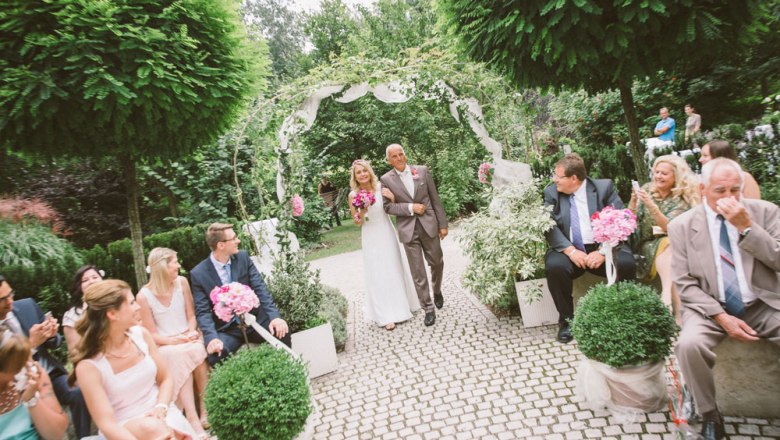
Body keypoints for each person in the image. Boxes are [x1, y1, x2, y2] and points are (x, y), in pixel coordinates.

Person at [669, 158, 780, 440]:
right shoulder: (682, 225)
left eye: (735, 190)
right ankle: (709, 414)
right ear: (703, 188)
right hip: (709, 308)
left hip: (762, 303)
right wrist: (720, 316)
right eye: (721, 190)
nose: (729, 198)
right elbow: (684, 283)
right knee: (689, 344)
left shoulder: (765, 213)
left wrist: (748, 228)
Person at [72, 279, 197, 439]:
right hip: (122, 429)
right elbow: (107, 424)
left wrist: (161, 407)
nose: (138, 307)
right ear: (112, 314)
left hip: (162, 413)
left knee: (161, 429)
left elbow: (165, 378)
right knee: (153, 429)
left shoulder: (142, 336)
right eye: (131, 303)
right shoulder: (89, 367)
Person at [543, 153, 637, 343]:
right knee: (555, 267)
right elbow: (548, 225)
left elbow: (621, 220)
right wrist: (570, 250)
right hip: (569, 249)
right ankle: (567, 322)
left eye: (558, 176)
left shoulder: (603, 188)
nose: (554, 180)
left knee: (626, 264)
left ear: (573, 178)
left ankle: (624, 318)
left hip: (602, 246)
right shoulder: (552, 192)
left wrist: (604, 251)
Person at [0, 274, 91, 439]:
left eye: (10, 294)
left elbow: (55, 343)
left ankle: (84, 436)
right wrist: (31, 343)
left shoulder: (27, 305)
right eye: (2, 300)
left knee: (78, 393)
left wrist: (51, 335)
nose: (9, 302)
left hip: (49, 373)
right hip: (13, 383)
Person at [190, 223, 291, 366]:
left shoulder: (243, 258)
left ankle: (287, 374)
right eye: (234, 238)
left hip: (255, 320)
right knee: (216, 355)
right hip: (228, 330)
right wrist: (212, 338)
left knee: (282, 332)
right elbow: (202, 311)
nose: (238, 241)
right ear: (221, 245)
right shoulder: (199, 273)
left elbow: (261, 289)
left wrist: (274, 317)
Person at [137, 248, 209, 436]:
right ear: (162, 267)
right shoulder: (144, 296)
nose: (178, 265)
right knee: (179, 355)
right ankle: (192, 419)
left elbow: (191, 314)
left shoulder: (181, 283)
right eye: (174, 262)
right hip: (165, 344)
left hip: (189, 335)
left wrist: (192, 331)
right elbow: (150, 333)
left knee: (197, 348)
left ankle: (204, 408)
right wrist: (173, 340)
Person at [380, 144, 448, 327]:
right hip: (408, 230)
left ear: (405, 155)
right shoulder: (386, 179)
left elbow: (435, 199)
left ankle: (437, 290)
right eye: (394, 156)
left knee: (437, 262)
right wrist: (410, 208)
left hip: (429, 224)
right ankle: (428, 308)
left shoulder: (422, 171)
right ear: (389, 160)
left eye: (401, 154)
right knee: (417, 272)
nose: (399, 158)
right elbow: (387, 207)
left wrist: (443, 224)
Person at [350, 159, 421, 331]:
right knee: (377, 272)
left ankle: (403, 306)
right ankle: (385, 314)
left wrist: (393, 197)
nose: (362, 174)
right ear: (355, 176)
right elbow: (357, 222)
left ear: (369, 171)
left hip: (386, 231)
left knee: (393, 267)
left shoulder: (381, 187)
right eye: (358, 172)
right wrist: (362, 210)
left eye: (365, 170)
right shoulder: (353, 195)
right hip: (370, 235)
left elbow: (392, 207)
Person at [629, 155, 700, 321]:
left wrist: (651, 206)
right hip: (645, 244)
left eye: (664, 173)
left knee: (670, 244)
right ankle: (676, 309)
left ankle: (668, 298)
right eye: (656, 172)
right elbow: (630, 221)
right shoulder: (647, 189)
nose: (658, 176)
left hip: (678, 245)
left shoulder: (682, 198)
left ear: (676, 176)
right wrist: (633, 202)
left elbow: (671, 228)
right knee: (670, 247)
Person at [0, 330, 69, 440]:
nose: (27, 367)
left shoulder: (33, 377)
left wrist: (32, 399)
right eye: (17, 365)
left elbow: (56, 434)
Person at [63, 265, 104, 360]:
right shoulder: (71, 316)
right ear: (79, 287)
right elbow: (74, 352)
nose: (92, 282)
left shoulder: (115, 303)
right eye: (85, 280)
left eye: (95, 277)